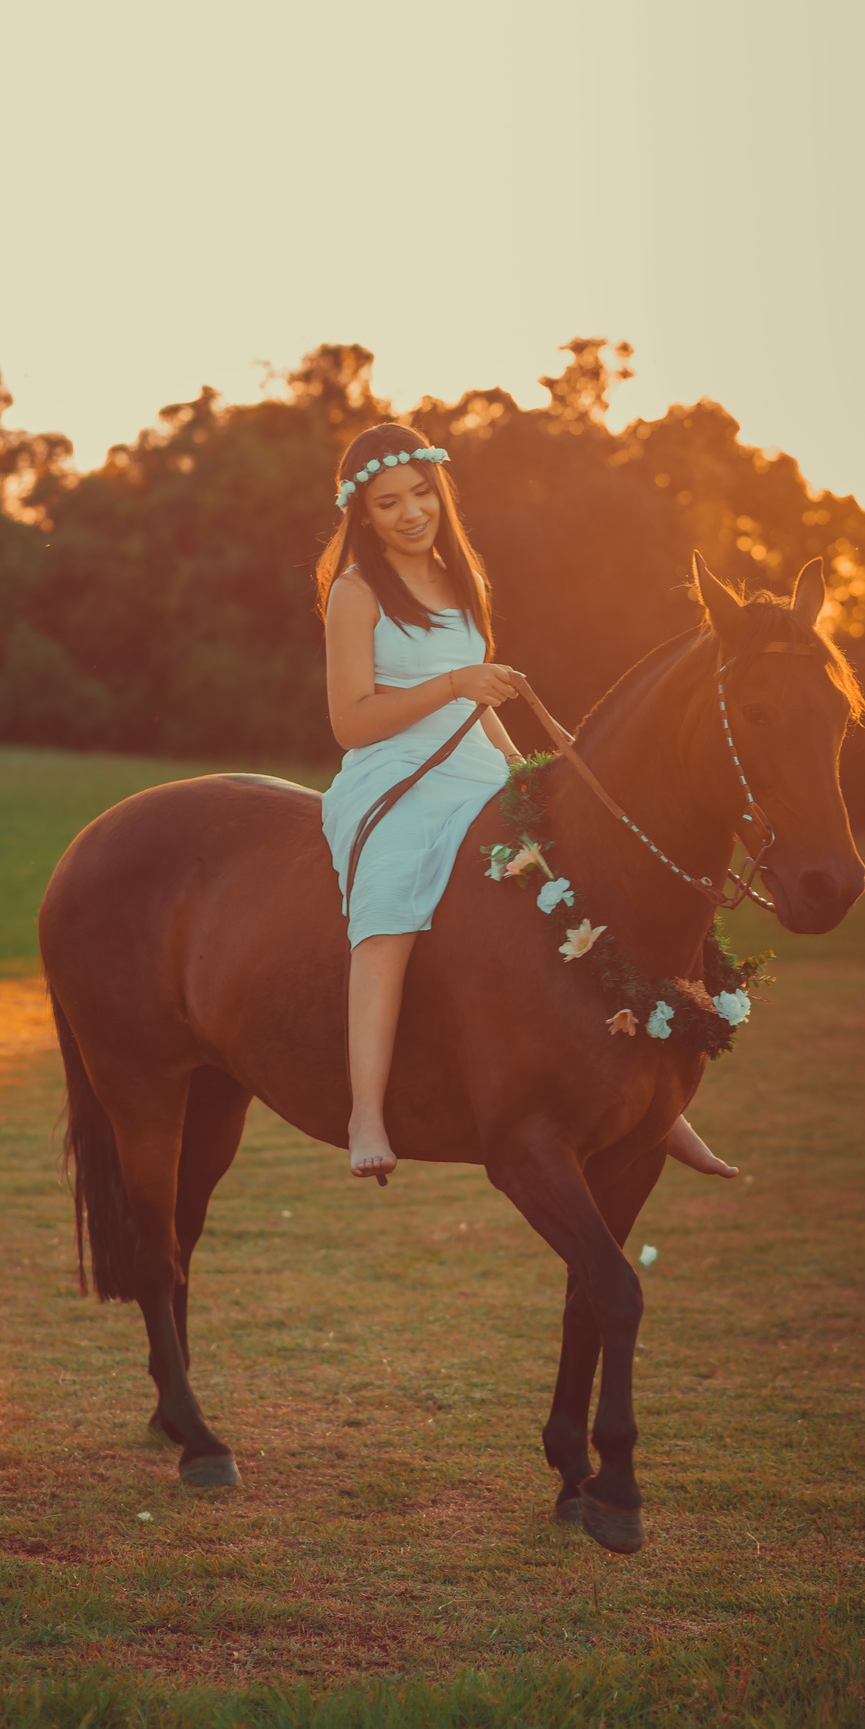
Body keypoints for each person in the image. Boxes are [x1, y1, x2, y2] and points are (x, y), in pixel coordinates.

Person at [316, 423, 737, 1184]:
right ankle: (366, 1113)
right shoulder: (355, 592)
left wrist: (532, 769)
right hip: (395, 773)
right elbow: (350, 720)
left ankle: (657, 1101)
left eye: (421, 494)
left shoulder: (460, 578)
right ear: (363, 515)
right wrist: (453, 685)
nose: (411, 513)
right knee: (388, 916)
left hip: (476, 765)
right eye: (389, 502)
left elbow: (478, 704)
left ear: (440, 492)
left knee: (579, 887)